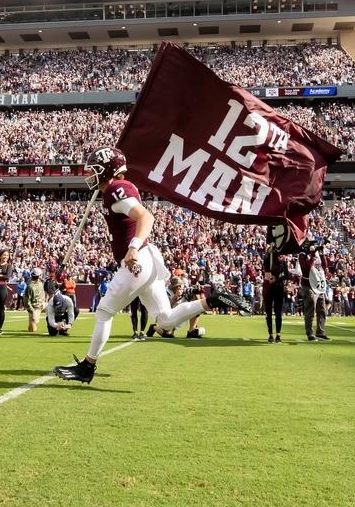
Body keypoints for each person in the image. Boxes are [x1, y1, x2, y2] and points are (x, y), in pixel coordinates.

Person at [54, 147, 246, 383]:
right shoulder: (117, 189)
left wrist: (133, 247)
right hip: (146, 259)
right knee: (164, 320)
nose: (90, 175)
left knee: (104, 311)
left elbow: (146, 217)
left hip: (137, 260)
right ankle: (212, 300)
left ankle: (87, 366)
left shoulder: (116, 188)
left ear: (107, 170)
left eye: (95, 170)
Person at [299, 240, 331, 342]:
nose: (314, 247)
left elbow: (325, 266)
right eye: (312, 245)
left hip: (319, 285)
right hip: (308, 286)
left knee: (322, 310)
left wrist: (322, 254)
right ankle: (310, 333)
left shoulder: (316, 254)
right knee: (310, 310)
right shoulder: (302, 255)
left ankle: (320, 332)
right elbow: (307, 268)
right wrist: (312, 255)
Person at [25, 268, 45, 332]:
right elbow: (26, 300)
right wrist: (31, 310)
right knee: (32, 329)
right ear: (39, 276)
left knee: (53, 308)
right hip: (34, 307)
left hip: (42, 305)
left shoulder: (41, 283)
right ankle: (31, 322)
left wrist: (43, 302)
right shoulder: (30, 286)